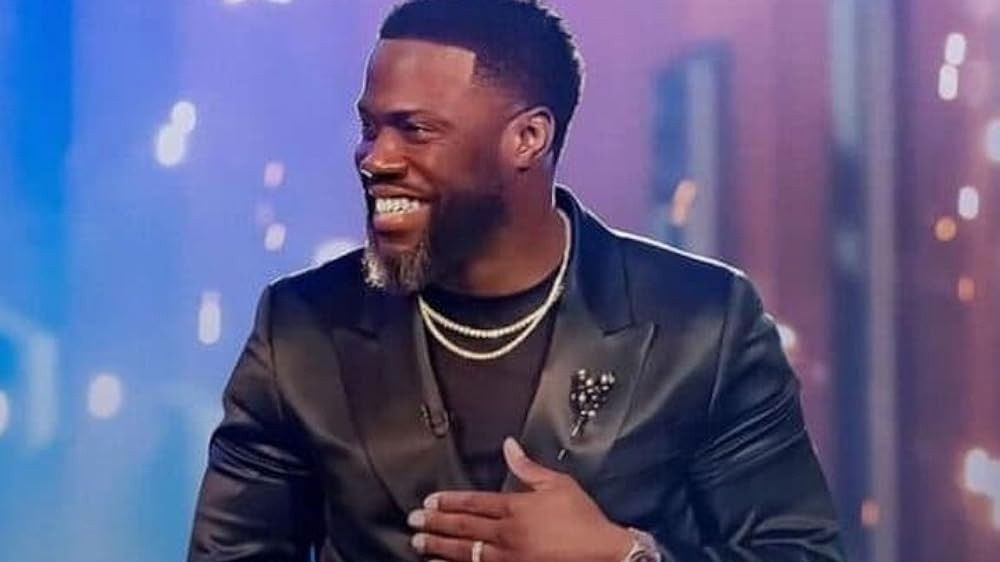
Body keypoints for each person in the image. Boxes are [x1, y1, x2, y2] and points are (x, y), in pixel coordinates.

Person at [187, 1, 843, 560]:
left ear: (528, 137)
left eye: (415, 129)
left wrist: (625, 557)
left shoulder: (702, 324)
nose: (374, 158)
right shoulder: (300, 329)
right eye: (370, 127)